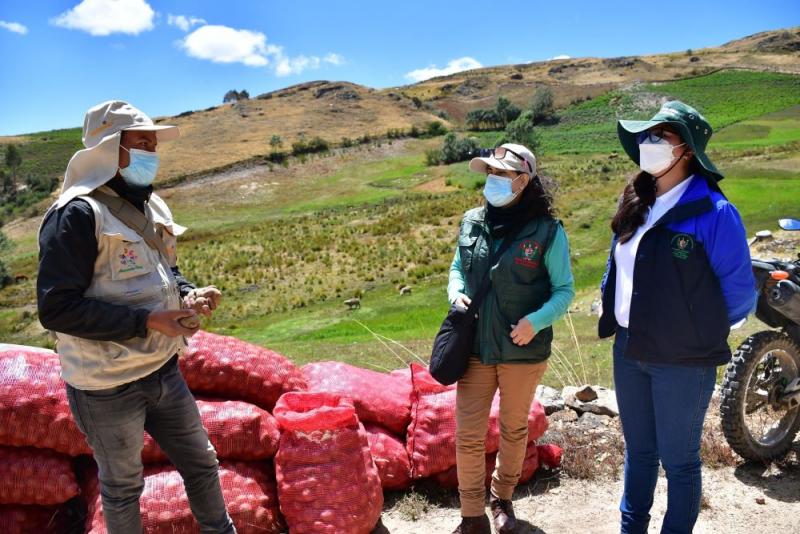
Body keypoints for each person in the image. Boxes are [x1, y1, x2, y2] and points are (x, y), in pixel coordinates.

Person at [37, 101, 234, 533]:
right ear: (108, 150)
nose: (152, 153)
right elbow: (56, 308)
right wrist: (147, 321)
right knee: (124, 486)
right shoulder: (76, 215)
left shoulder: (152, 205)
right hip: (106, 386)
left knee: (202, 463)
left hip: (163, 370)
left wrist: (187, 293)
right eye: (141, 143)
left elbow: (165, 269)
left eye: (153, 144)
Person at [598, 101, 756, 534]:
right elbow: (617, 265)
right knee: (640, 451)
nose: (648, 143)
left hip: (683, 361)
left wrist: (694, 331)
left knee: (680, 460)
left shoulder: (715, 213)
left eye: (660, 136)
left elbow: (740, 295)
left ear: (686, 150)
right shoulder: (636, 198)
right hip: (628, 349)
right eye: (646, 135)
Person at [448, 143, 575, 533]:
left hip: (523, 348)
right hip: (476, 347)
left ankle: (502, 500)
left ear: (523, 180)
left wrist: (535, 322)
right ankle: (472, 515)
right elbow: (456, 267)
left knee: (514, 429)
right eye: (489, 172)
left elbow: (564, 290)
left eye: (501, 174)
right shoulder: (472, 221)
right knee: (467, 433)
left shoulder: (548, 232)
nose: (492, 180)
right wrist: (455, 292)